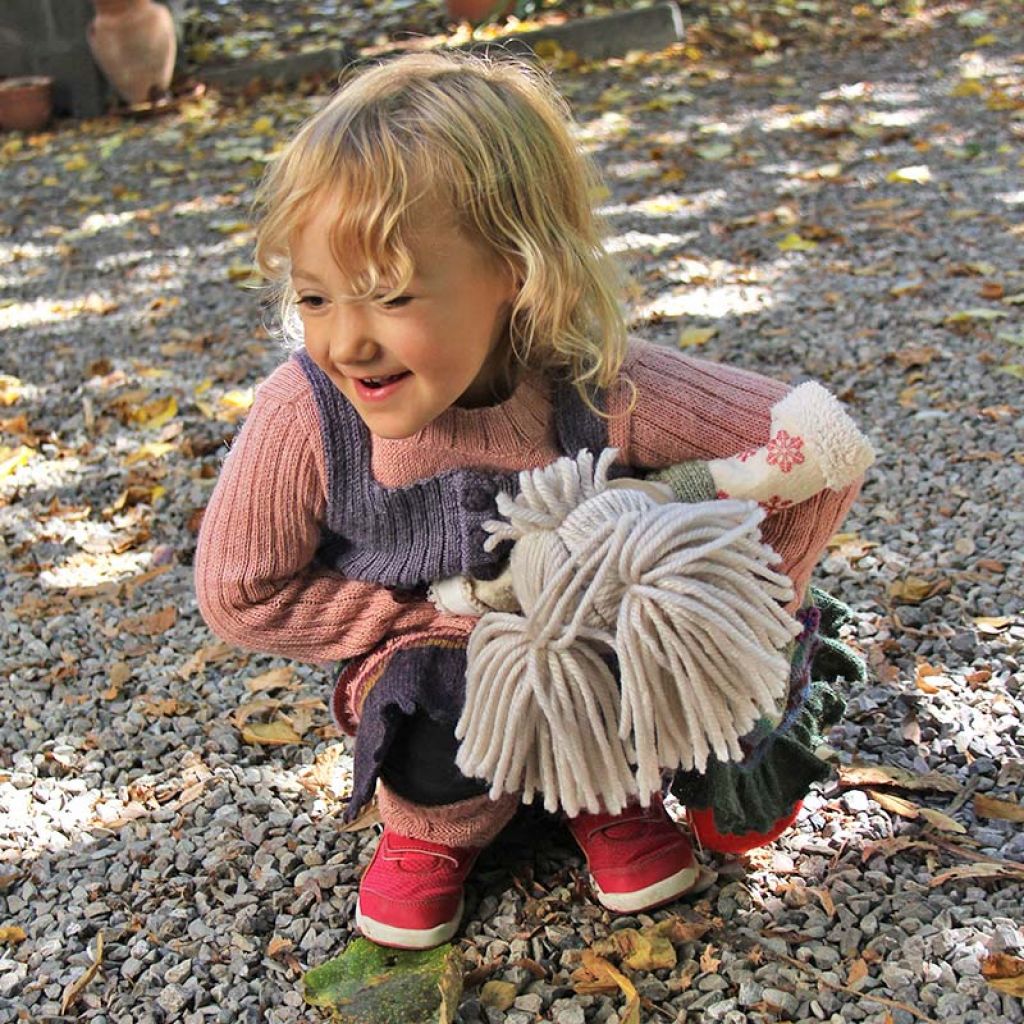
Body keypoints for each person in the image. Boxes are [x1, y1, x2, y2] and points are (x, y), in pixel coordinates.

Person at [195, 50, 863, 952]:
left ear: (516, 269)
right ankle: (431, 828)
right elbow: (241, 590)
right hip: (434, 649)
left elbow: (817, 447)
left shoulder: (594, 385)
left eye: (391, 296)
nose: (347, 340)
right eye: (315, 296)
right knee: (446, 694)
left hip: (587, 644)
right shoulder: (307, 413)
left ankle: (609, 798)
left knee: (637, 638)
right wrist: (421, 615)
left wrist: (741, 625)